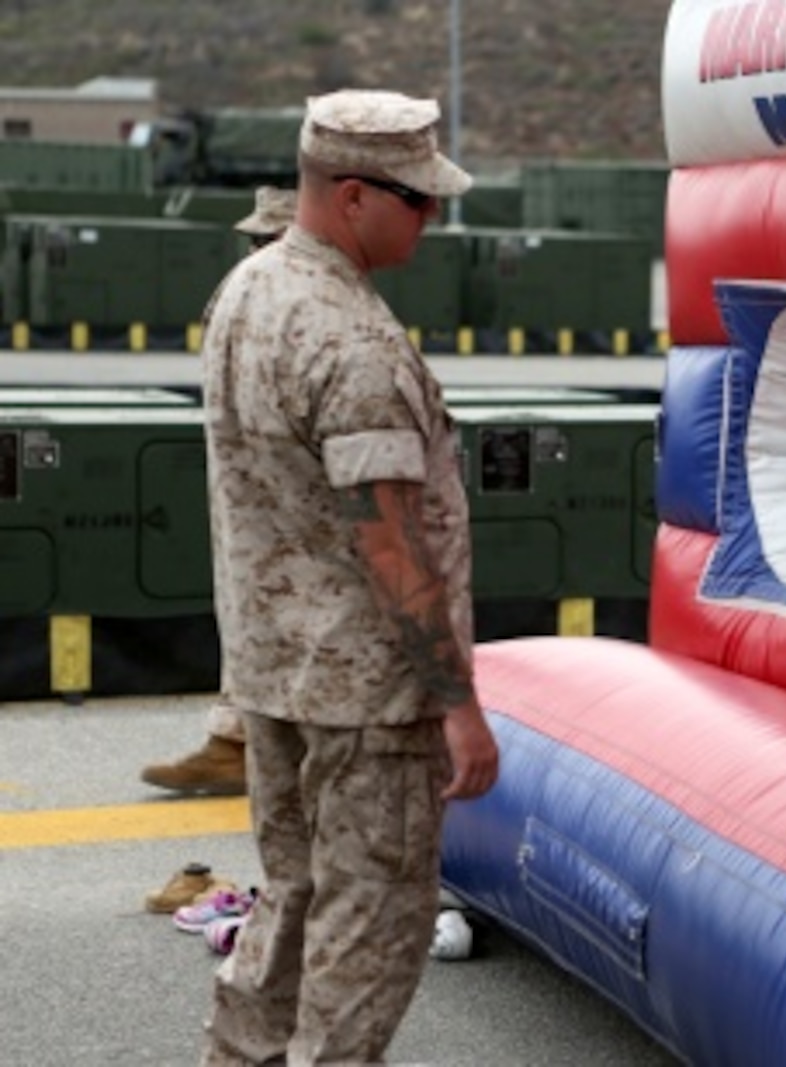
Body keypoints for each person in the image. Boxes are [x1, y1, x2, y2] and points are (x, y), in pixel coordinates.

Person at [197, 89, 499, 1066]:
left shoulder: (251, 286)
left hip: (275, 673)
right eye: (418, 200)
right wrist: (457, 704)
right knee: (364, 945)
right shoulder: (351, 342)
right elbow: (391, 543)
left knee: (289, 905)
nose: (432, 218)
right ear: (358, 196)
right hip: (368, 699)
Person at [139, 185, 298, 799]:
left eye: (270, 237)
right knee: (253, 613)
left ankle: (247, 744)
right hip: (261, 491)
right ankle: (238, 742)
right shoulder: (256, 295)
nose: (260, 249)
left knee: (272, 617)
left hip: (276, 495)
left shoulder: (277, 296)